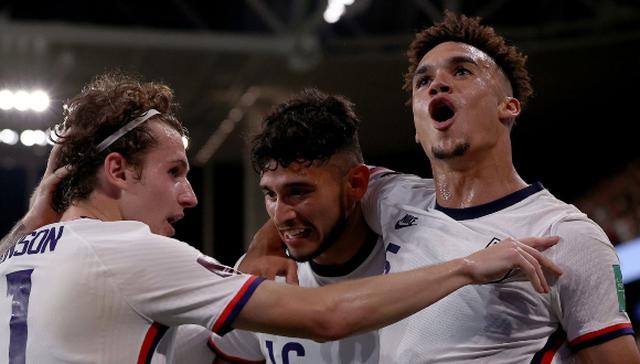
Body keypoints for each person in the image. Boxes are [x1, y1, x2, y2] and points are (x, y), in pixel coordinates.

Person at [0, 73, 561, 363]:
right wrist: (469, 267)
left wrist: (31, 218)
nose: (190, 195)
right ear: (117, 171)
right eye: (173, 172)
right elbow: (330, 316)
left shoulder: (17, 257)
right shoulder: (128, 253)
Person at [240, 12, 640, 363]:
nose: (437, 85)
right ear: (417, 125)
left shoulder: (565, 234)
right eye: (423, 80)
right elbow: (314, 193)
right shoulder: (391, 197)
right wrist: (264, 247)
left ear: (509, 106)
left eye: (461, 71)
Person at [208, 89, 385, 363]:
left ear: (356, 184)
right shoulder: (259, 271)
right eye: (270, 194)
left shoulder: (411, 260)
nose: (280, 215)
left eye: (299, 192)